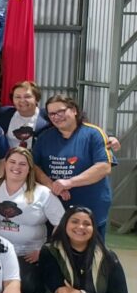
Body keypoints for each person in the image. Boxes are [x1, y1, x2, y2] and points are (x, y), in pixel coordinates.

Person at [0, 147, 64, 293]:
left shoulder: (43, 193)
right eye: (12, 162)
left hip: (26, 255)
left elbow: (62, 224)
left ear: (30, 168)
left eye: (22, 164)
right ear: (5, 164)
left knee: (28, 287)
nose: (16, 167)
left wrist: (45, 250)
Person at [32, 94, 114, 236]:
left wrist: (69, 182)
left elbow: (104, 167)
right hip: (56, 207)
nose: (56, 117)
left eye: (61, 111)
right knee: (56, 247)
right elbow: (34, 166)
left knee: (90, 247)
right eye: (52, 114)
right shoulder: (45, 138)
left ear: (74, 110)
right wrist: (53, 186)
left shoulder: (94, 134)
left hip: (91, 205)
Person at [0, 81, 49, 149]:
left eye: (27, 96)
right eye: (17, 97)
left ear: (36, 99)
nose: (22, 100)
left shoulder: (47, 116)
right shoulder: (3, 114)